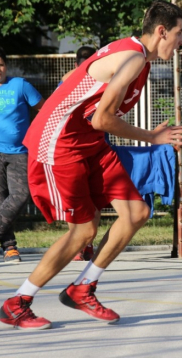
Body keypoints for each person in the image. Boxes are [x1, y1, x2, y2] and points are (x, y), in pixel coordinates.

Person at [0, 0, 182, 330]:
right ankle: (18, 303)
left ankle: (83, 287)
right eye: (179, 33)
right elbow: (102, 118)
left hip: (89, 143)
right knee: (84, 231)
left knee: (136, 213)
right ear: (161, 31)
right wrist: (151, 136)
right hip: (60, 144)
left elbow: (89, 105)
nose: (181, 43)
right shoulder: (132, 58)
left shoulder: (135, 57)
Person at [0, 47, 45, 263]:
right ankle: (9, 248)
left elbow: (44, 110)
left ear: (6, 65)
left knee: (21, 195)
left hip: (19, 153)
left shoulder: (19, 85)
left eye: (0, 64)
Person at [60, 46, 98, 261]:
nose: (87, 65)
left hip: (96, 145)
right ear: (77, 64)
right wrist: (85, 70)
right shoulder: (69, 81)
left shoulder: (105, 81)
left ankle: (88, 244)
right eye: (83, 62)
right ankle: (77, 242)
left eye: (91, 60)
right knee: (74, 198)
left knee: (93, 198)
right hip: (73, 147)